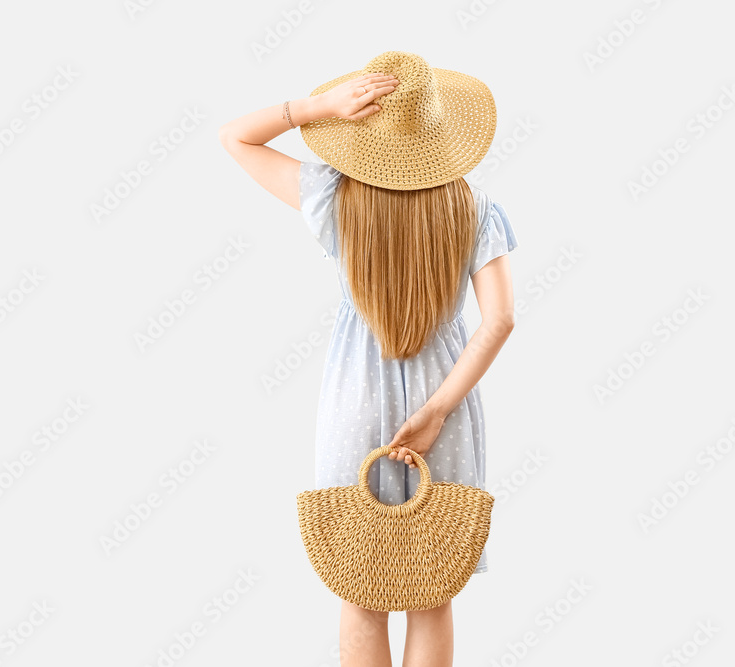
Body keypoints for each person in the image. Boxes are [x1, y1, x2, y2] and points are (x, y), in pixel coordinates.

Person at [219, 50, 518, 667]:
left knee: (360, 579)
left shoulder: (333, 198)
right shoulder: (476, 209)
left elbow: (235, 137)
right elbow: (500, 320)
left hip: (354, 394)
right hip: (448, 399)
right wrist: (435, 410)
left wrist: (317, 108)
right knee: (432, 586)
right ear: (440, 133)